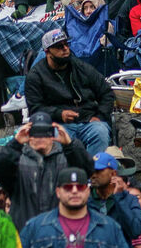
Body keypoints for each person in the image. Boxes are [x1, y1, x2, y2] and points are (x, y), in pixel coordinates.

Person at [22, 25, 115, 155]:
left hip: (88, 121)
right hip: (57, 124)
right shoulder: (36, 75)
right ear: (47, 51)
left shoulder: (81, 67)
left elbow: (107, 93)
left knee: (100, 132)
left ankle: (93, 173)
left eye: (67, 44)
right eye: (60, 46)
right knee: (52, 139)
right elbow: (35, 109)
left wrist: (99, 116)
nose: (65, 49)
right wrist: (59, 114)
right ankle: (63, 174)